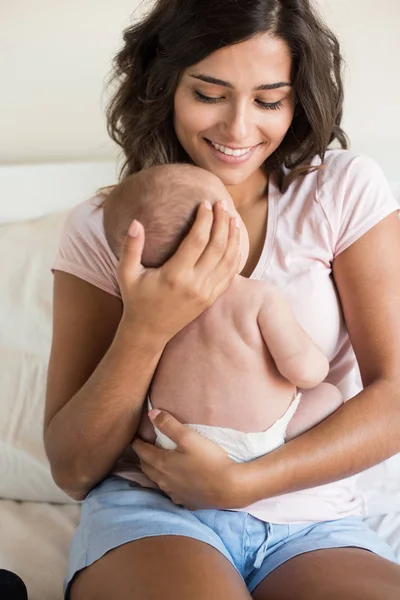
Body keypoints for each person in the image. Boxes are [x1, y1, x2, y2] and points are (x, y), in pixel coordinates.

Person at [45, 0, 400, 598]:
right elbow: (73, 469)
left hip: (311, 520)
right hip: (154, 510)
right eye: (209, 94)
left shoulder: (340, 191)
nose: (238, 130)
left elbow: (395, 394)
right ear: (163, 87)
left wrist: (243, 483)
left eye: (269, 100)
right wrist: (146, 328)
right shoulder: (108, 227)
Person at [102, 162, 343, 478]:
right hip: (258, 443)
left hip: (171, 440)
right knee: (331, 395)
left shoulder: (152, 312)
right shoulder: (257, 297)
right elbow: (305, 371)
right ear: (220, 231)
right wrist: (318, 366)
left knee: (144, 417)